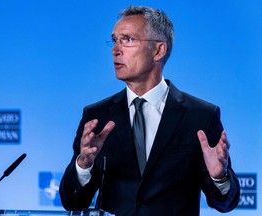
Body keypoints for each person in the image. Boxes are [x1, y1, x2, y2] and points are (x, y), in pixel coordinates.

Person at [59, 5, 240, 216]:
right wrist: (83, 165)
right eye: (115, 40)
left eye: (127, 39)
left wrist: (219, 177)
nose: (115, 50)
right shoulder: (97, 116)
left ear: (158, 50)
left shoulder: (200, 116)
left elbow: (226, 203)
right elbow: (71, 201)